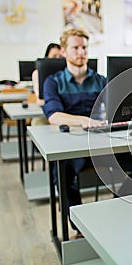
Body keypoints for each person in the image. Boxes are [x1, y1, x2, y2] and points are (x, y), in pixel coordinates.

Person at [42, 28, 106, 236]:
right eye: (75, 48)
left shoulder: (101, 80)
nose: (81, 52)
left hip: (100, 139)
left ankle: (118, 221)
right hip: (70, 142)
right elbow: (54, 117)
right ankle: (80, 229)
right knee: (63, 171)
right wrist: (85, 121)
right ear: (63, 51)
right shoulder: (53, 82)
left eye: (84, 48)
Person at [31, 43, 62, 126]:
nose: (58, 60)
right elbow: (40, 100)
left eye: (61, 57)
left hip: (66, 113)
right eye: (54, 56)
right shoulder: (38, 74)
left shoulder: (66, 75)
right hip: (44, 114)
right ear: (46, 57)